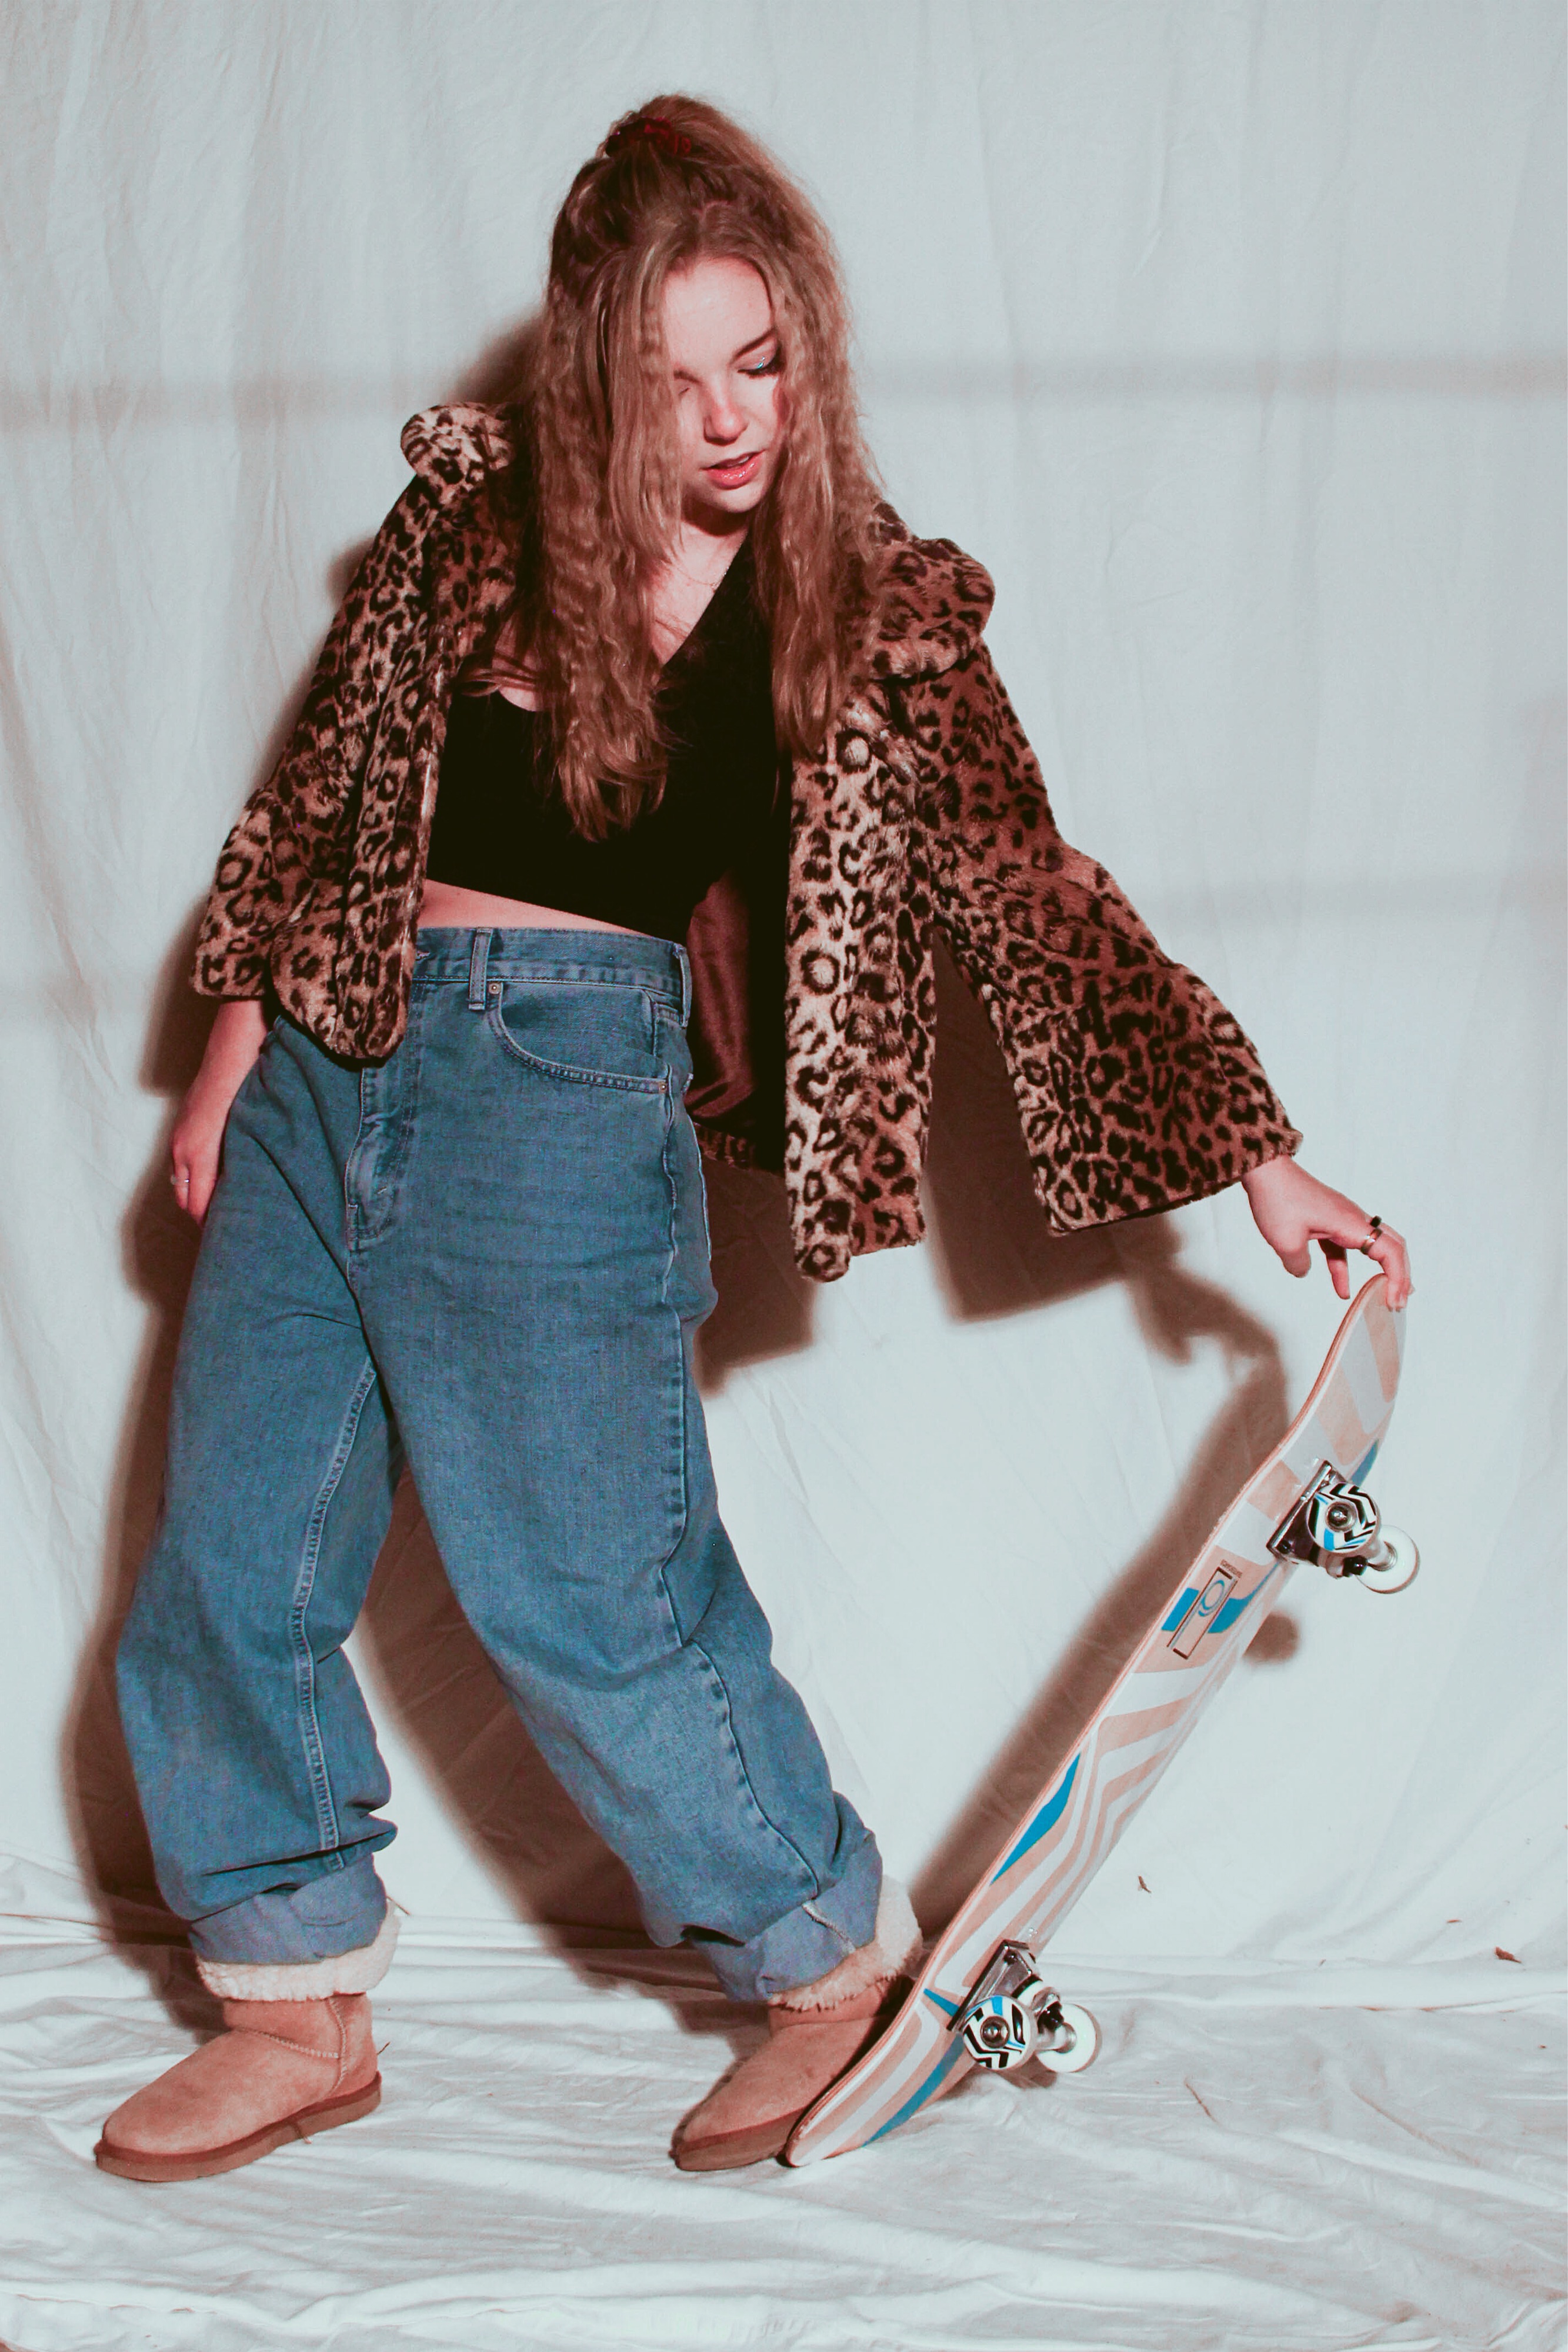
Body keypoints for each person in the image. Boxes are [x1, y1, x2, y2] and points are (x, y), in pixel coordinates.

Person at [96, 96, 1410, 2185]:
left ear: (808, 347)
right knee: (225, 1564)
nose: (722, 419)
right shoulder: (473, 520)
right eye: (670, 374)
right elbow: (337, 783)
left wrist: (1254, 1149)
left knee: (590, 1599)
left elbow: (1029, 889)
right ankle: (288, 1995)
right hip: (332, 1064)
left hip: (556, 1093)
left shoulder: (872, 612)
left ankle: (820, 1966)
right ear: (595, 367)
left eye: (760, 363)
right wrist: (241, 1025)